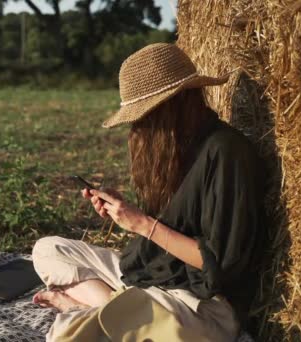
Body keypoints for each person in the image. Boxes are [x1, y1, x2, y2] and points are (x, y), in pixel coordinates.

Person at [31, 43, 266, 341]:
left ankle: (98, 309)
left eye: (144, 117)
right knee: (48, 250)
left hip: (200, 305)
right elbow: (169, 232)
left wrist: (142, 224)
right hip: (155, 280)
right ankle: (113, 309)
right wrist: (125, 212)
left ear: (171, 106)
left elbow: (220, 267)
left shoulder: (226, 153)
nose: (139, 129)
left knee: (66, 334)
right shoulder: (178, 148)